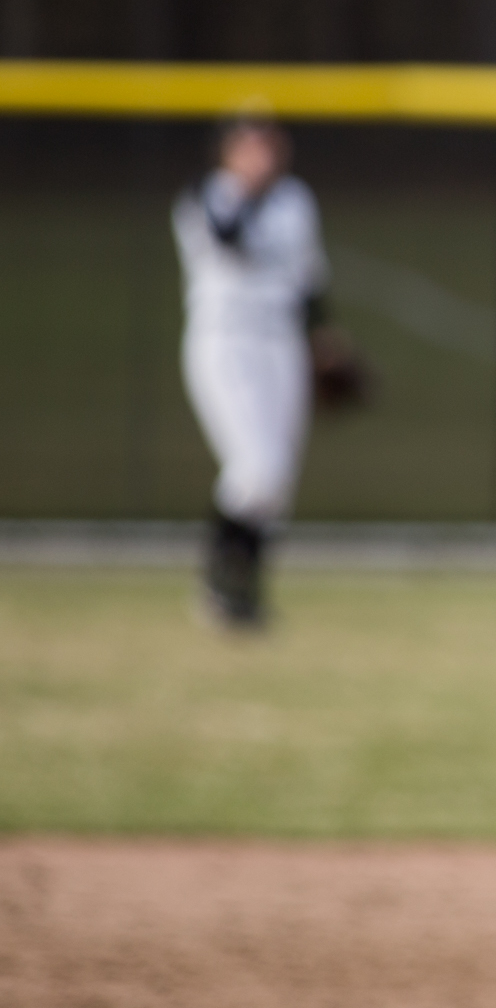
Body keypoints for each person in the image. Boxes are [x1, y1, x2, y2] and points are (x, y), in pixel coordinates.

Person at [172, 113, 329, 627]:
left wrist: (324, 340)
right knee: (255, 469)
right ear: (228, 151)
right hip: (226, 344)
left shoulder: (297, 201)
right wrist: (250, 188)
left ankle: (245, 593)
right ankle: (217, 583)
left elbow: (309, 280)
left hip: (280, 344)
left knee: (278, 478)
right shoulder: (209, 195)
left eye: (268, 145)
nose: (261, 155)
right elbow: (226, 237)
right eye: (249, 146)